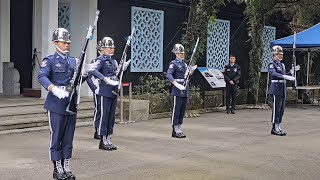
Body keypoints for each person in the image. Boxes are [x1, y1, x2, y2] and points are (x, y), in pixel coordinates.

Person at [38, 28, 96, 180]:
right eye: (64, 42)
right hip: (56, 104)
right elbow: (42, 77)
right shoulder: (49, 60)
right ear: (55, 43)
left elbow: (77, 81)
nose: (67, 45)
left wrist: (84, 74)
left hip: (71, 104)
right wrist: (53, 89)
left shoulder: (73, 61)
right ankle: (57, 168)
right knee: (56, 137)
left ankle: (66, 166)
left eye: (68, 42)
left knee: (68, 137)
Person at [88, 37, 130, 150]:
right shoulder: (100, 60)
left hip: (113, 91)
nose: (112, 49)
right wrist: (104, 79)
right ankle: (102, 140)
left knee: (111, 117)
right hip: (104, 91)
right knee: (104, 116)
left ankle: (108, 138)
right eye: (109, 47)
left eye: (113, 47)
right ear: (103, 48)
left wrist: (122, 68)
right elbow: (91, 70)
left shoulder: (113, 61)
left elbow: (116, 74)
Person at [166, 44, 197, 138]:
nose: (182, 54)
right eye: (180, 53)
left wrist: (190, 71)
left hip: (185, 89)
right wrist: (175, 83)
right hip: (177, 89)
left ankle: (179, 128)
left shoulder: (185, 64)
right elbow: (168, 74)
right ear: (176, 53)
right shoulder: (173, 63)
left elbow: (187, 77)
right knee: (176, 110)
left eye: (183, 53)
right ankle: (175, 130)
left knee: (182, 110)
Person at [268, 45, 296, 136]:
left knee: (281, 109)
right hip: (276, 89)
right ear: (274, 54)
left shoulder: (282, 65)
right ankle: (274, 127)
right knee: (276, 108)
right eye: (279, 54)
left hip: (282, 88)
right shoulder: (272, 64)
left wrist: (290, 73)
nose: (281, 56)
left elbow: (283, 74)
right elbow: (273, 73)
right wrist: (284, 76)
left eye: (281, 54)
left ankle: (278, 125)